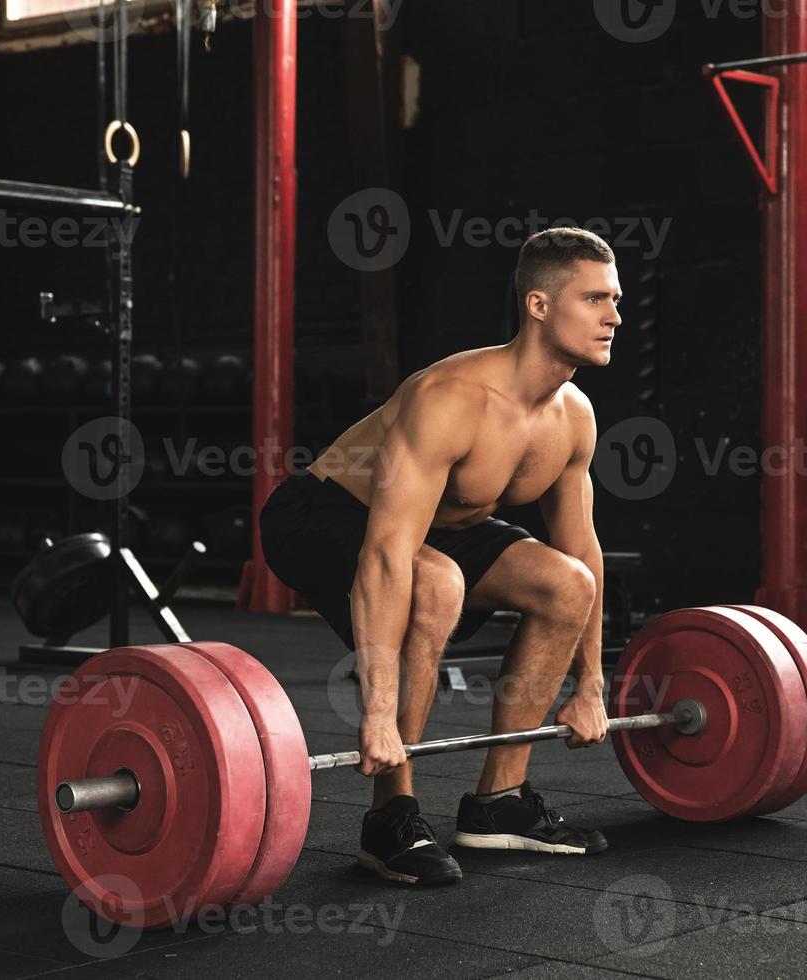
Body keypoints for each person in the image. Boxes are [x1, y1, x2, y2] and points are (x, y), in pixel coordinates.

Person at [260, 227, 622, 885]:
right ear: (539, 305)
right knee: (436, 584)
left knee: (565, 584)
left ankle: (500, 804)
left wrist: (591, 685)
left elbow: (583, 552)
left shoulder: (574, 417)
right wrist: (375, 713)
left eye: (616, 299)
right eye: (595, 299)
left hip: (440, 529)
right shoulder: (451, 398)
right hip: (325, 514)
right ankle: (390, 817)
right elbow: (387, 557)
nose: (614, 317)